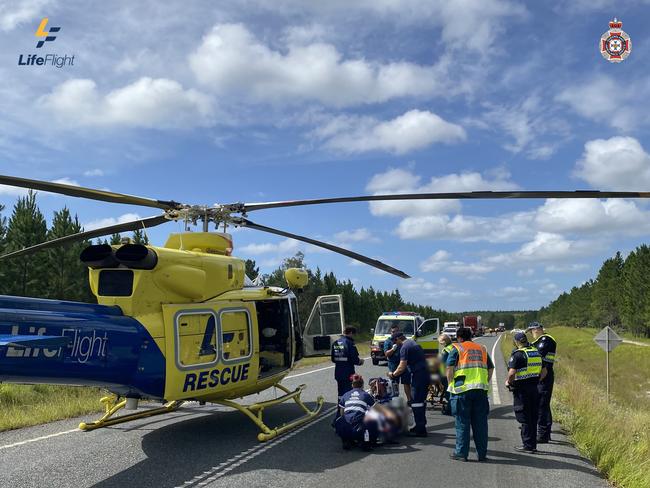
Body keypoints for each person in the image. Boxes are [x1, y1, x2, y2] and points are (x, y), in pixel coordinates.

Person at [445, 327, 494, 462]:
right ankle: (482, 454)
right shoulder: (482, 349)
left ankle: (461, 453)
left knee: (462, 423)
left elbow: (449, 369)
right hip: (480, 391)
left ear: (459, 337)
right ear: (471, 336)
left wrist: (450, 385)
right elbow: (490, 368)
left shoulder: (457, 348)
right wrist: (485, 382)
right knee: (481, 424)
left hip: (462, 391)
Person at [505, 331, 547, 453]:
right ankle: (532, 445)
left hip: (522, 390)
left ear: (516, 342)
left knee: (524, 417)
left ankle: (527, 446)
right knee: (533, 417)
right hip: (534, 388)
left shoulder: (518, 355)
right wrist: (535, 379)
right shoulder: (536, 353)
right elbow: (544, 372)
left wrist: (509, 382)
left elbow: (512, 373)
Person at [387, 332, 430, 437]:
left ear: (398, 339)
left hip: (418, 375)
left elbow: (402, 366)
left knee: (416, 402)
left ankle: (420, 430)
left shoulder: (404, 347)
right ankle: (421, 425)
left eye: (395, 341)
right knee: (421, 401)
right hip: (424, 374)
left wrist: (393, 374)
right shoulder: (412, 343)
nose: (395, 344)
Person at [528, 322, 557, 444]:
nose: (531, 333)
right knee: (543, 404)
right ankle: (545, 431)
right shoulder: (537, 341)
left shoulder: (546, 339)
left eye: (531, 331)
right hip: (540, 374)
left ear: (537, 329)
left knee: (542, 405)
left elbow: (538, 354)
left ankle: (543, 434)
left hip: (545, 375)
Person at [335, 374, 377, 450]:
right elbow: (374, 410)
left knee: (339, 420)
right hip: (359, 428)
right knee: (374, 420)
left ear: (352, 385)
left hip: (346, 428)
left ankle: (346, 440)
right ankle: (366, 442)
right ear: (362, 385)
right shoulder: (366, 395)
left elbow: (342, 413)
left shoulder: (345, 395)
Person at [331, 326, 364, 419]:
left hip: (338, 373)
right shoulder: (350, 343)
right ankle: (346, 416)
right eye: (354, 334)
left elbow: (333, 359)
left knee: (340, 395)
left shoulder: (335, 343)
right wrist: (360, 361)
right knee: (348, 395)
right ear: (350, 333)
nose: (354, 337)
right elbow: (355, 360)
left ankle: (338, 415)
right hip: (348, 373)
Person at [383, 324, 412, 402]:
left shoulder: (401, 340)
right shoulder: (388, 341)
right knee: (394, 383)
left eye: (396, 331)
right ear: (390, 332)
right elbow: (386, 354)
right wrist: (392, 349)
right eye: (393, 331)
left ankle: (409, 400)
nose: (394, 333)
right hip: (393, 364)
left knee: (406, 382)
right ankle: (396, 400)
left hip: (403, 363)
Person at [438, 334, 454, 415]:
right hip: (455, 371)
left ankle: (450, 410)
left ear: (444, 341)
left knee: (448, 392)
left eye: (440, 342)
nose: (440, 344)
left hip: (446, 373)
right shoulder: (453, 347)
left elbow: (443, 364)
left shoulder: (446, 350)